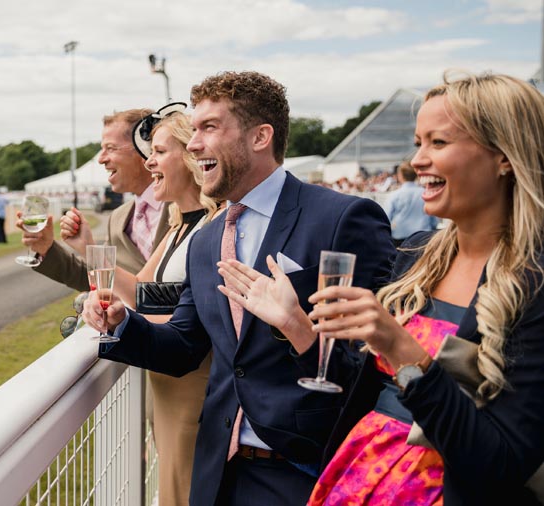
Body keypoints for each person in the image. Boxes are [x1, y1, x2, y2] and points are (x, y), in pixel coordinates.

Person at [222, 72, 544, 505]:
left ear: (504, 156)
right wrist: (296, 324)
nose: (419, 160)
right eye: (418, 143)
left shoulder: (533, 284)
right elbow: (357, 392)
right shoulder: (416, 257)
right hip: (359, 477)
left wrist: (402, 348)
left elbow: (499, 463)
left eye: (439, 143)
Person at [82, 71, 395, 506]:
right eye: (194, 131)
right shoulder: (207, 240)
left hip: (305, 472)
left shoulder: (343, 218)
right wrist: (121, 324)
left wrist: (297, 327)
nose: (193, 144)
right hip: (218, 472)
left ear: (260, 137)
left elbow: (378, 365)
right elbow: (183, 346)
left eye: (209, 128)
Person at [105, 105, 220, 506]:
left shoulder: (214, 224)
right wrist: (95, 274)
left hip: (194, 385)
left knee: (183, 493)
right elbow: (140, 291)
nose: (148, 161)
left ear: (190, 157)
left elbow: (192, 308)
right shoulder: (177, 224)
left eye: (158, 152)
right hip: (166, 387)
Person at [21, 109, 170, 292]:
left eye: (110, 148)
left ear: (144, 149)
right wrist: (47, 249)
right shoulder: (118, 218)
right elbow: (102, 281)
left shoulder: (188, 208)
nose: (101, 159)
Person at [385, 160, 440, 246]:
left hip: (400, 237)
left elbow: (387, 218)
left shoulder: (394, 195)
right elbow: (434, 219)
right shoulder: (426, 193)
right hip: (423, 237)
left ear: (400, 176)